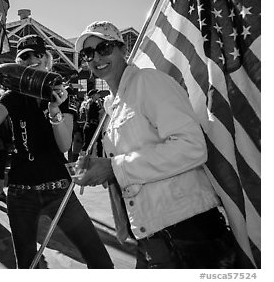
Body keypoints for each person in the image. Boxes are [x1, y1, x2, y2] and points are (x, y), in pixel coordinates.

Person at [73, 21, 235, 268]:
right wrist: (99, 168)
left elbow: (191, 147)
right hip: (151, 236)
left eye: (104, 48)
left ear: (122, 49)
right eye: (88, 53)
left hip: (190, 234)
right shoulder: (111, 106)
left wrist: (114, 167)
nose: (96, 57)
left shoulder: (149, 82)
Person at [0, 34, 113, 269]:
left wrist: (54, 111)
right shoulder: (13, 96)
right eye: (24, 57)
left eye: (37, 55)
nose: (31, 60)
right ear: (19, 64)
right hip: (20, 194)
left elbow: (64, 145)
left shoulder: (60, 94)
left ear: (47, 59)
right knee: (27, 266)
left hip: (58, 189)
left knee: (99, 261)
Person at [81, 89, 102, 156]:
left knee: (87, 144)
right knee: (95, 144)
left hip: (89, 125)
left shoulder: (88, 103)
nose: (99, 95)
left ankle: (82, 159)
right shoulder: (92, 104)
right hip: (92, 126)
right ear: (93, 95)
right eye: (97, 94)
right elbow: (100, 112)